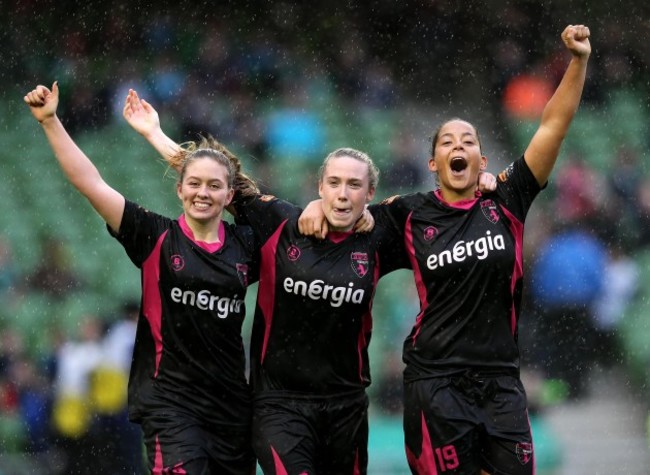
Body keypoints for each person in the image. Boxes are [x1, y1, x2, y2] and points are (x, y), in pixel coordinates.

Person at [299, 24, 591, 475]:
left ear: (483, 160)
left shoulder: (507, 201)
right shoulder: (409, 214)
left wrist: (578, 61)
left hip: (500, 383)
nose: (459, 146)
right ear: (433, 163)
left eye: (469, 141)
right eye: (447, 143)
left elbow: (554, 123)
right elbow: (348, 213)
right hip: (436, 385)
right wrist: (320, 203)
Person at [123, 91, 413, 474]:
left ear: (370, 194)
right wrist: (155, 134)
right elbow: (215, 180)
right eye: (334, 183)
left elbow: (442, 214)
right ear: (319, 186)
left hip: (346, 405)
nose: (343, 193)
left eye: (354, 185)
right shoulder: (280, 224)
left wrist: (484, 182)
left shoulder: (377, 236)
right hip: (279, 403)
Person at [24, 82, 260, 475]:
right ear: (180, 187)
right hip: (171, 403)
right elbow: (90, 182)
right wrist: (50, 122)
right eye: (195, 183)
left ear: (228, 194)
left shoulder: (247, 245)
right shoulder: (155, 237)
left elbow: (278, 216)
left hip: (231, 406)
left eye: (215, 185)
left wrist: (157, 135)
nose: (203, 192)